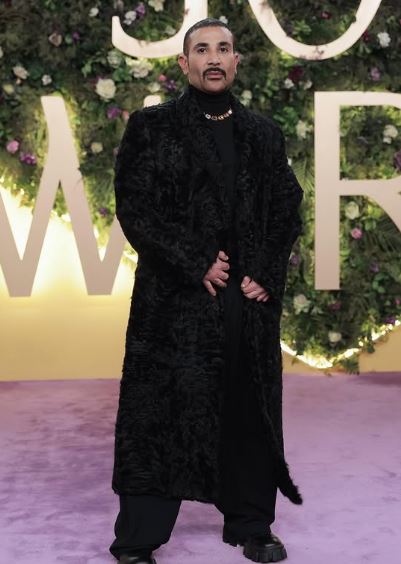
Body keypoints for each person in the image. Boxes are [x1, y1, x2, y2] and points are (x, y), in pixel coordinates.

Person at [109, 18, 304, 564]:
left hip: (245, 302)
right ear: (184, 63)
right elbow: (134, 207)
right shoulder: (152, 127)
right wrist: (194, 261)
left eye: (223, 49)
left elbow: (286, 208)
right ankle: (138, 540)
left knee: (248, 413)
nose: (213, 58)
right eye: (202, 49)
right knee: (160, 417)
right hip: (173, 306)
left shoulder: (263, 133)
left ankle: (253, 526)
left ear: (236, 61)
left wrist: (264, 270)